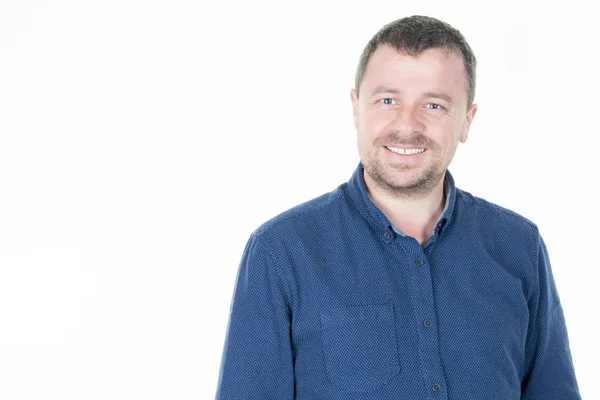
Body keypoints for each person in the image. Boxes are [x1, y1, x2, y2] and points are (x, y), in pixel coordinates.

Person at [215, 15, 581, 399]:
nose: (407, 125)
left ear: (466, 122)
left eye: (434, 105)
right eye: (387, 100)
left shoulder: (520, 246)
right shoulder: (282, 252)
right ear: (356, 109)